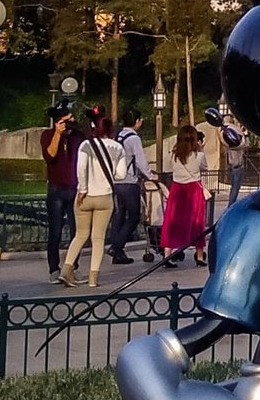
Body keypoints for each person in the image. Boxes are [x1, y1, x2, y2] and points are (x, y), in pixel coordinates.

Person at [61, 118, 126, 287]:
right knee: (98, 238)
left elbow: (81, 168)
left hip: (85, 196)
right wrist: (109, 174)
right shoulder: (118, 147)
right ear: (110, 129)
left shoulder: (85, 145)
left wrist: (83, 189)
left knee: (80, 234)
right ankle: (93, 278)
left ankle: (66, 270)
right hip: (105, 197)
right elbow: (121, 174)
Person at [105, 109, 152, 265]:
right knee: (133, 217)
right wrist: (150, 176)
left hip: (116, 181)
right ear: (137, 121)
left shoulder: (118, 136)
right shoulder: (134, 139)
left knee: (119, 216)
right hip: (129, 182)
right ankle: (116, 246)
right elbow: (140, 161)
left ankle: (118, 253)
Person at [40, 105, 80, 278]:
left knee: (77, 231)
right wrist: (58, 134)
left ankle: (72, 266)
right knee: (55, 231)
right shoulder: (47, 135)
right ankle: (54, 269)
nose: (71, 121)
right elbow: (50, 156)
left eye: (72, 118)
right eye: (67, 120)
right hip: (56, 188)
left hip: (75, 188)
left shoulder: (78, 136)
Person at [160, 125, 210, 266]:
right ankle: (199, 256)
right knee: (197, 222)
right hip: (193, 190)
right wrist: (201, 149)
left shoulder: (173, 156)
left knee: (173, 221)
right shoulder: (198, 156)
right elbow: (205, 168)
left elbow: (169, 168)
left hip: (177, 189)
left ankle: (167, 255)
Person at [222, 127, 246, 208]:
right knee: (235, 188)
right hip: (237, 167)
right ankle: (231, 205)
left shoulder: (229, 146)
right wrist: (242, 134)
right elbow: (244, 143)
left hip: (233, 167)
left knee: (234, 187)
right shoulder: (237, 146)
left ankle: (231, 204)